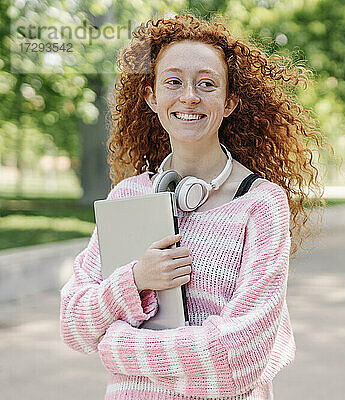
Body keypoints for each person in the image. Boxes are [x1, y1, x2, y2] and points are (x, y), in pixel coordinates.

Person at [60, 12, 329, 400]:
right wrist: (134, 280)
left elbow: (240, 357)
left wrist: (117, 347)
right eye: (173, 82)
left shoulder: (260, 204)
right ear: (152, 97)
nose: (189, 96)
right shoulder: (128, 197)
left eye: (206, 83)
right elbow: (73, 323)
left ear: (229, 100)